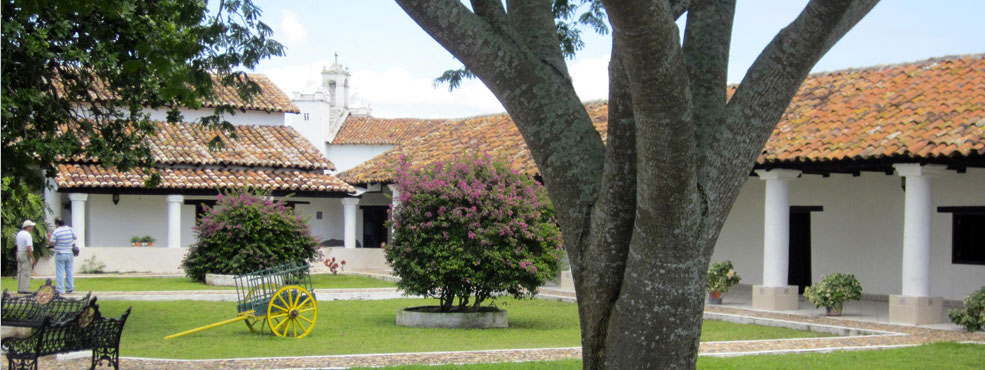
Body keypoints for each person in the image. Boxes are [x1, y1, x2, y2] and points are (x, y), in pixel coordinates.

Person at [49, 217, 77, 294]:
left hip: (60, 253)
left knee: (60, 271)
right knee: (69, 271)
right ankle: (70, 288)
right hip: (69, 253)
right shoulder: (70, 229)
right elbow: (75, 237)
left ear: (57, 224)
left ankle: (60, 289)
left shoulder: (56, 231)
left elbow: (52, 243)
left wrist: (49, 238)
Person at [15, 220, 36, 293]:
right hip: (25, 253)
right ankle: (24, 289)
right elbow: (29, 248)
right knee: (26, 272)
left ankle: (20, 289)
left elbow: (17, 245)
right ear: (28, 227)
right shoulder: (27, 235)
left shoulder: (19, 234)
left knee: (20, 272)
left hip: (19, 253)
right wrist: (32, 258)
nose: (32, 227)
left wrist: (17, 253)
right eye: (31, 226)